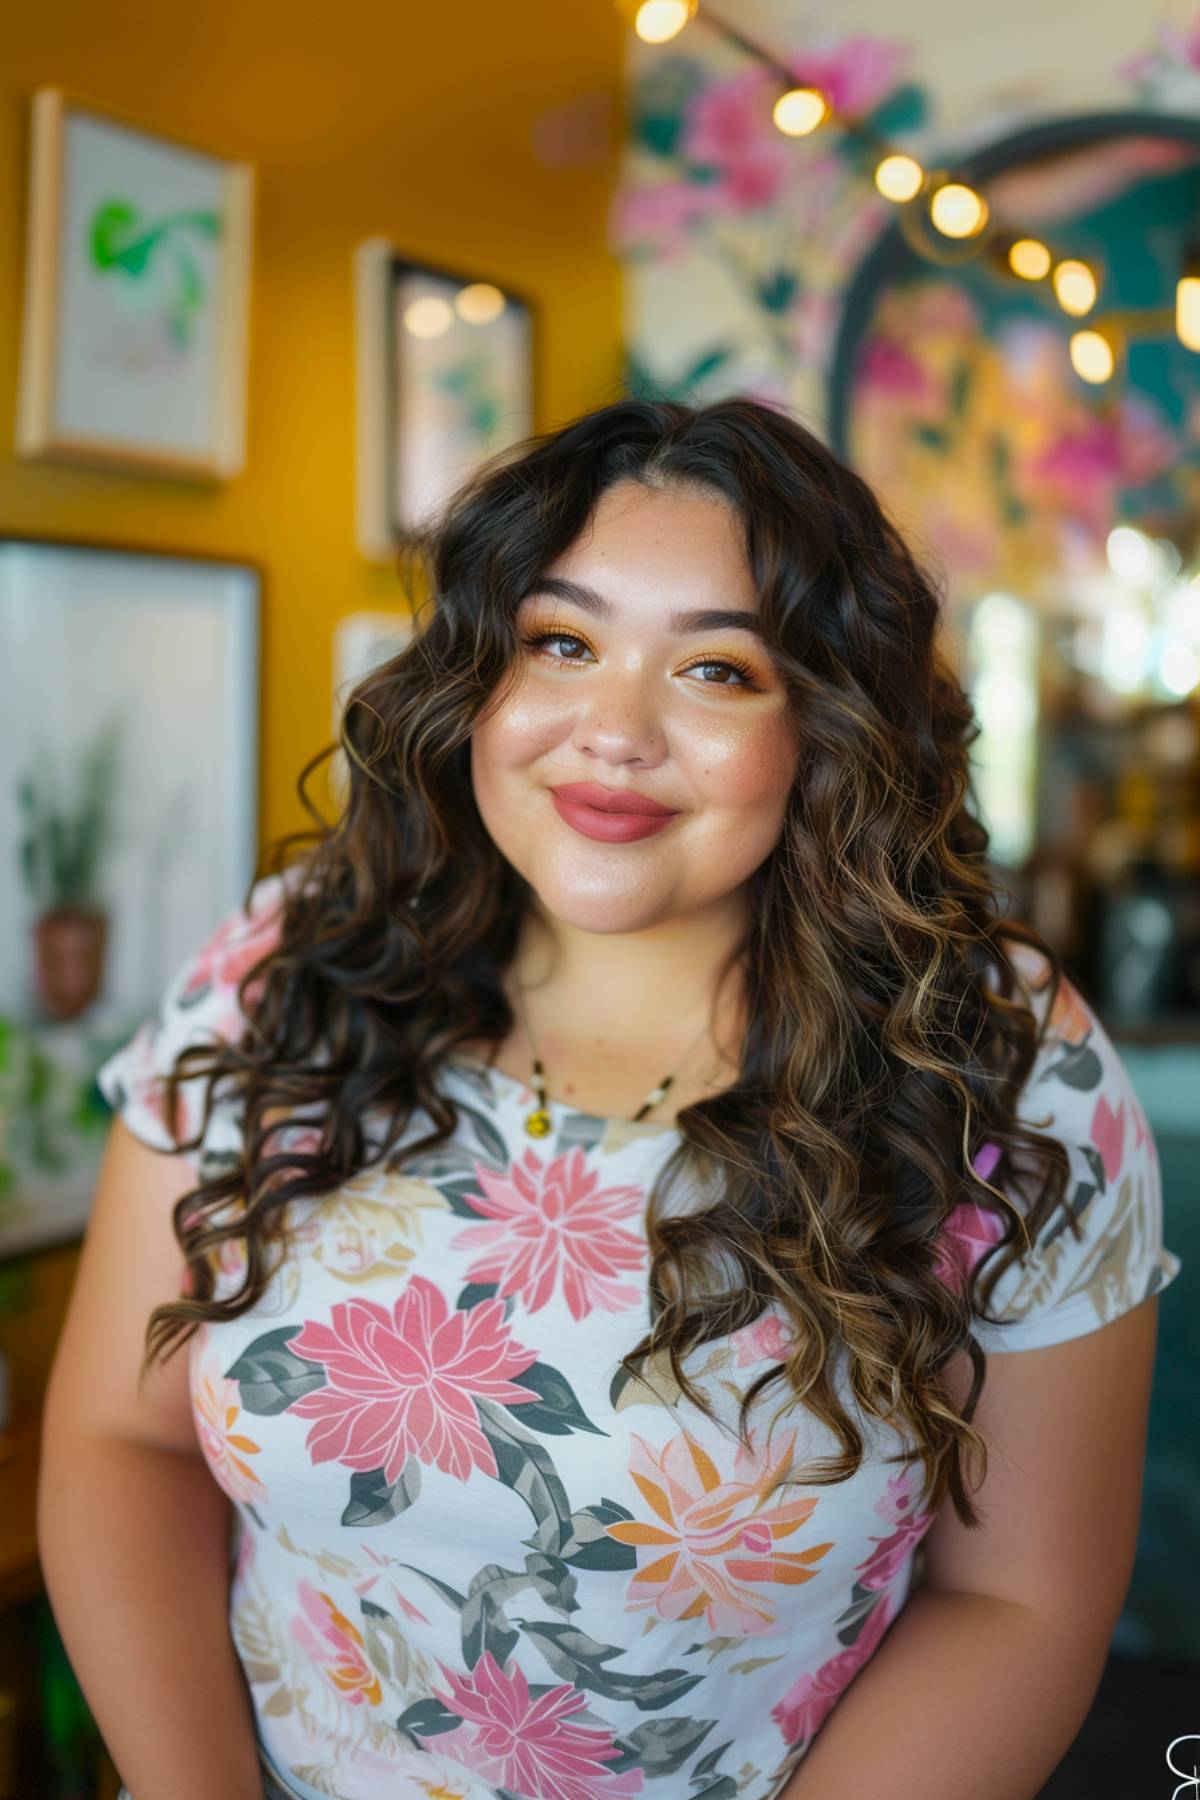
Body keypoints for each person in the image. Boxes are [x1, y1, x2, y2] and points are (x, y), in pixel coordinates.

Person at [38, 397, 1181, 1800]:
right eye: (561, 644)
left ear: (826, 727)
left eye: (716, 672)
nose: (614, 732)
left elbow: (1022, 1603)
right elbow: (122, 1437)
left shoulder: (1003, 1067)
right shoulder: (292, 965)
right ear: (477, 682)